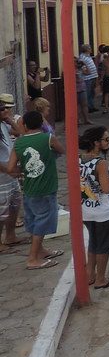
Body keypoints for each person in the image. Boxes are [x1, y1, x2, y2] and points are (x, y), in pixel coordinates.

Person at [5, 111, 64, 270]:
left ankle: (41, 251)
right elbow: (61, 150)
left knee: (33, 221)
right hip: (46, 187)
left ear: (24, 125)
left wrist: (22, 170)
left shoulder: (19, 143)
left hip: (29, 188)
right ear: (41, 124)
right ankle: (32, 259)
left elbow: (10, 168)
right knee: (43, 222)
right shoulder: (48, 138)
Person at [79, 126, 109, 289]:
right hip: (104, 211)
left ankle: (90, 274)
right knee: (104, 246)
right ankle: (101, 279)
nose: (108, 142)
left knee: (94, 243)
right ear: (96, 142)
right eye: (106, 139)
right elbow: (106, 188)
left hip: (87, 210)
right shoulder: (100, 163)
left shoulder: (80, 159)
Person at [0, 98, 25, 253]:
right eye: (3, 109)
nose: (6, 111)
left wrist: (9, 120)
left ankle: (11, 236)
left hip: (9, 172)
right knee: (2, 211)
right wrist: (8, 169)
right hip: (2, 175)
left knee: (14, 205)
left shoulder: (3, 125)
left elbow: (19, 133)